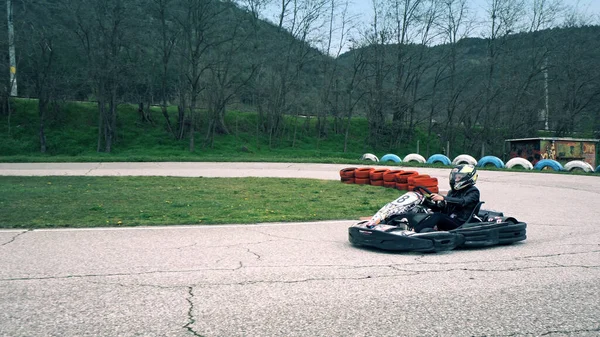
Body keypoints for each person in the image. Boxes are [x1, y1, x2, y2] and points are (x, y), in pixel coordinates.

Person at [414, 164, 480, 233]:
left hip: (462, 223)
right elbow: (439, 208)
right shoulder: (452, 192)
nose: (456, 179)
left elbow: (462, 202)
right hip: (451, 219)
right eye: (455, 177)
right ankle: (408, 226)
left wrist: (443, 198)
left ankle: (414, 231)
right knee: (428, 213)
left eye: (459, 177)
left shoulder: (473, 192)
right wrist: (425, 201)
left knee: (438, 216)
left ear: (468, 178)